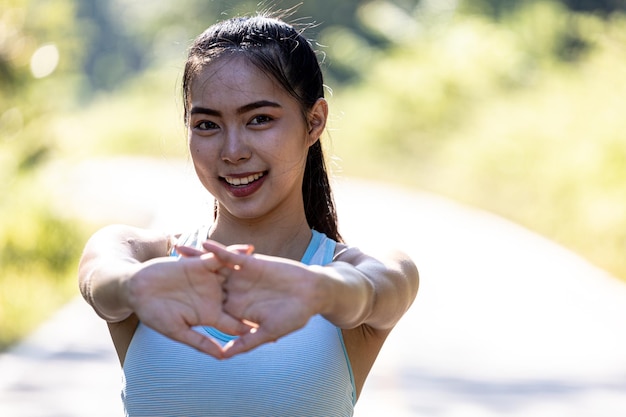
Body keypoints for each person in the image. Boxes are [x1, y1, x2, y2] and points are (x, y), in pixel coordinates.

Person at [78, 13, 419, 417]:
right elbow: (102, 280)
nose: (233, 150)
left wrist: (318, 290)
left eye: (259, 119)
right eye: (207, 124)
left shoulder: (361, 269)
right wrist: (135, 288)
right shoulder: (142, 258)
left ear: (314, 122)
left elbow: (375, 290)